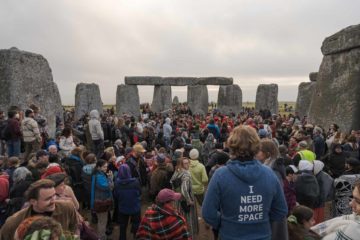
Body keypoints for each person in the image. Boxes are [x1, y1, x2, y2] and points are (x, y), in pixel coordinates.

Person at [202, 125, 288, 240]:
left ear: (231, 145)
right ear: (257, 145)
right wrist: (260, 221)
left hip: (230, 235)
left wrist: (225, 224)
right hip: (262, 235)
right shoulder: (269, 174)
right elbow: (280, 211)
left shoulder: (221, 175)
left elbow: (208, 213)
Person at [0, 179, 78, 240]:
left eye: (54, 195)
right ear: (33, 201)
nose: (54, 200)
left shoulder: (67, 207)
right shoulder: (14, 222)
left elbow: (74, 227)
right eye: (48, 199)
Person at [170, 157, 198, 237]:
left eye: (188, 162)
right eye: (185, 163)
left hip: (178, 199)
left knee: (180, 217)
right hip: (185, 200)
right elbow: (184, 189)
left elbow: (171, 181)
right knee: (188, 218)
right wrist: (189, 201)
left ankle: (181, 234)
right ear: (181, 164)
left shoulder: (177, 171)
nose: (188, 164)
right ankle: (189, 235)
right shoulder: (186, 174)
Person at [114, 164, 141, 240]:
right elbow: (140, 192)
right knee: (136, 224)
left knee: (122, 226)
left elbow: (116, 196)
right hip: (135, 207)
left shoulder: (117, 183)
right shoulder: (135, 182)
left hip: (123, 207)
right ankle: (136, 237)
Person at [90, 159, 114, 240]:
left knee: (103, 221)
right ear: (98, 167)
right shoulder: (99, 176)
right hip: (102, 202)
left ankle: (102, 236)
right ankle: (101, 237)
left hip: (100, 201)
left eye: (106, 166)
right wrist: (110, 178)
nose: (106, 168)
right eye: (104, 167)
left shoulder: (98, 174)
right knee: (102, 222)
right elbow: (109, 187)